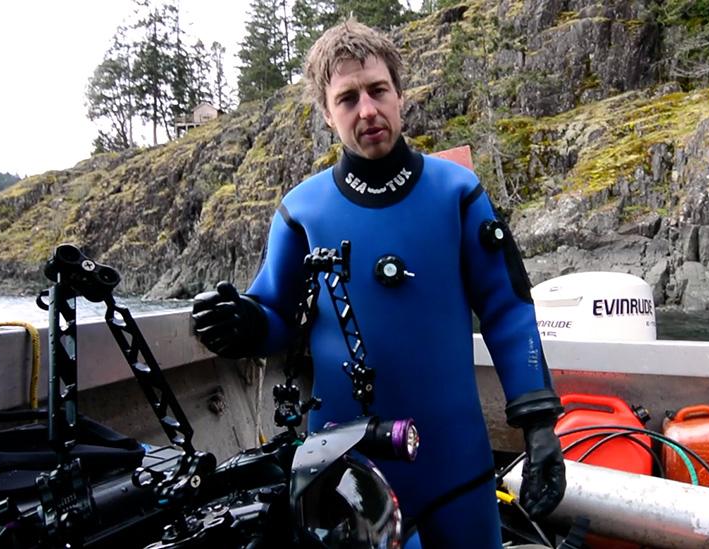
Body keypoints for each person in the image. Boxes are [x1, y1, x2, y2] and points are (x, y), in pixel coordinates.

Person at [192, 19, 565, 548]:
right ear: (327, 113)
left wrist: (540, 423)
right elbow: (274, 315)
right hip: (343, 469)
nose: (366, 110)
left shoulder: (456, 193)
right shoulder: (303, 211)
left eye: (377, 90)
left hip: (455, 465)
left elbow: (507, 310)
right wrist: (241, 323)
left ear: (399, 96)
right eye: (347, 98)